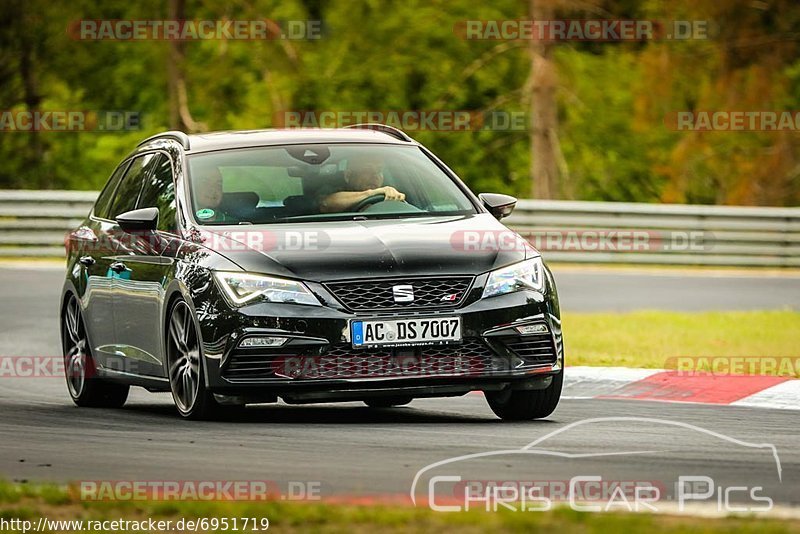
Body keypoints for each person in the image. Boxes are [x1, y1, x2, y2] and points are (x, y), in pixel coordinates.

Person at [318, 155, 405, 213]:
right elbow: (326, 204)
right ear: (348, 175)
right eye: (368, 170)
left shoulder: (389, 194)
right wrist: (371, 193)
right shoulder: (332, 189)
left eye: (379, 170)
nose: (375, 175)